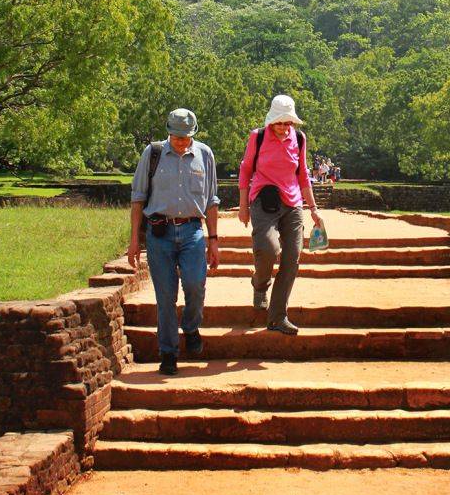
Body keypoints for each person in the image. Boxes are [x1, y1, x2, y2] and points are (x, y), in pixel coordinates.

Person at [128, 108, 220, 377]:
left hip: (192, 231)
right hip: (160, 234)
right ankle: (168, 352)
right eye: (176, 137)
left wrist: (213, 240)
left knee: (195, 284)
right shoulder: (153, 154)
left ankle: (191, 326)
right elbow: (138, 198)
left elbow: (212, 200)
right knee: (165, 296)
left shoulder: (205, 155)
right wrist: (134, 239)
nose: (181, 141)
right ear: (168, 132)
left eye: (186, 137)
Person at [238, 94, 325, 335]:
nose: (284, 127)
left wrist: (314, 209)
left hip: (293, 203)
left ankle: (277, 316)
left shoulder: (299, 138)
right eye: (279, 122)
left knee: (291, 258)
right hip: (263, 201)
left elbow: (303, 175)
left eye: (288, 123)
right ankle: (260, 285)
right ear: (270, 121)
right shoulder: (258, 137)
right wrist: (243, 206)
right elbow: (246, 170)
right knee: (268, 249)